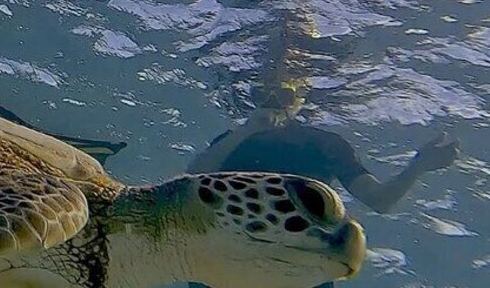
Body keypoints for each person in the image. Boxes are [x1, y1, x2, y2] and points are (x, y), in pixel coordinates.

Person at [186, 84, 460, 288]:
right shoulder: (233, 139)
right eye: (262, 94)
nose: (272, 102)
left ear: (301, 99)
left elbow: (380, 200)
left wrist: (419, 165)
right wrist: (246, 130)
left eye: (283, 94)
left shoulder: (325, 144)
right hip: (232, 258)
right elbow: (193, 178)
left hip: (302, 264)